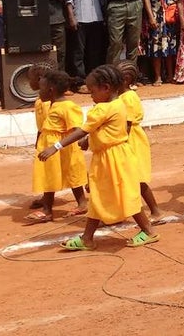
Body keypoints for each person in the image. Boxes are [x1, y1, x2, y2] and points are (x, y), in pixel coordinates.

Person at [41, 65, 159, 250]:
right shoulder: (118, 104)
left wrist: (56, 146)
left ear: (106, 88)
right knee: (101, 194)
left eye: (92, 91)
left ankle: (147, 230)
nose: (90, 95)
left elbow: (82, 130)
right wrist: (90, 140)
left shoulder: (102, 109)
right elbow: (105, 129)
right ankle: (87, 238)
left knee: (122, 194)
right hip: (113, 156)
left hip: (113, 159)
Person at [26, 69, 87, 223]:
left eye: (41, 88)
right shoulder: (51, 105)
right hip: (50, 147)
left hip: (63, 148)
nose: (39, 91)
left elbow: (79, 130)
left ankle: (51, 210)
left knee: (72, 174)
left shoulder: (67, 106)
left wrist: (57, 146)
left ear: (51, 90)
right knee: (49, 175)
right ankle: (48, 209)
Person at [116, 61, 165, 224]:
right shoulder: (122, 97)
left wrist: (119, 142)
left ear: (125, 80)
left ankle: (155, 211)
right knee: (126, 177)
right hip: (128, 138)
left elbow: (127, 125)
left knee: (137, 177)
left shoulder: (128, 98)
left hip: (131, 140)